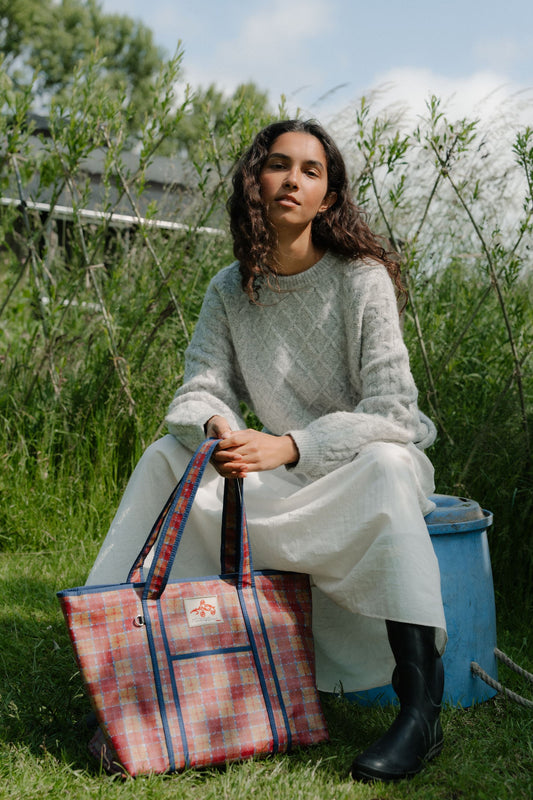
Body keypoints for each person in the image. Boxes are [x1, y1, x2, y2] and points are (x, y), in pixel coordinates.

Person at [87, 119, 447, 782]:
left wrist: (290, 445)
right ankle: (123, 672)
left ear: (327, 198)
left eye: (311, 171)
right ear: (255, 181)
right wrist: (220, 429)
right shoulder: (230, 289)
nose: (292, 180)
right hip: (283, 477)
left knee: (388, 463)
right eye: (279, 165)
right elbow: (199, 389)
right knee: (165, 458)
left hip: (360, 470)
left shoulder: (360, 278)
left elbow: (394, 412)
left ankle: (420, 709)